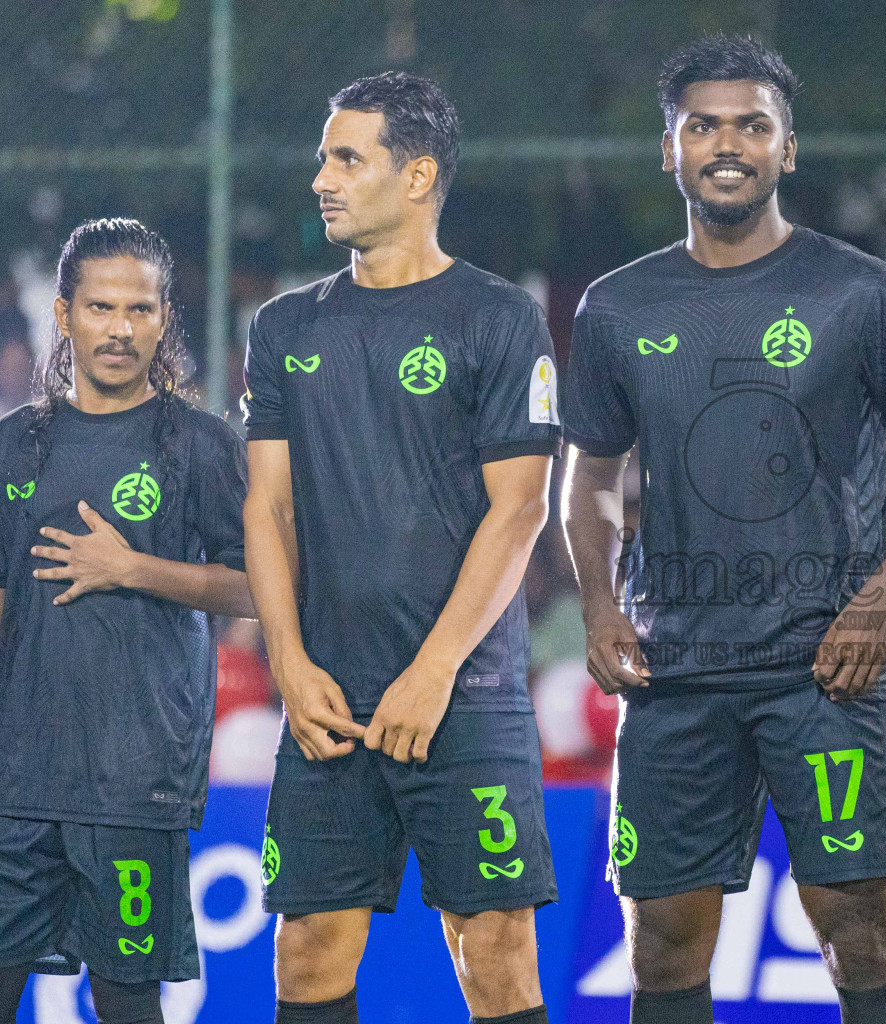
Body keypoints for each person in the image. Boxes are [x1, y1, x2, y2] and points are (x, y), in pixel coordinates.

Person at [561, 33, 886, 1024]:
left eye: (754, 123)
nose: (728, 142)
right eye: (702, 124)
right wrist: (595, 600)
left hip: (821, 667)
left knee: (857, 925)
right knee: (663, 941)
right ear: (671, 150)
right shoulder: (618, 307)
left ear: (788, 149)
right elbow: (585, 480)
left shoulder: (861, 290)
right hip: (674, 668)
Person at [242, 73, 560, 1024]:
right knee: (307, 955)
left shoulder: (499, 318)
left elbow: (521, 512)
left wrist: (433, 672)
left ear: (417, 175)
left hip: (463, 694)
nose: (322, 179)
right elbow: (268, 509)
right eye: (322, 157)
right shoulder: (285, 326)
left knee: (495, 953)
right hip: (327, 698)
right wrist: (288, 665)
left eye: (348, 158)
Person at [0, 218, 252, 1024]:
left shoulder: (201, 446)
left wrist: (131, 569)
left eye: (140, 310)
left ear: (164, 318)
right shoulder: (14, 446)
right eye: (101, 308)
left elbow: (258, 589)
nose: (120, 328)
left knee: (128, 1006)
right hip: (17, 785)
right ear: (65, 315)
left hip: (136, 781)